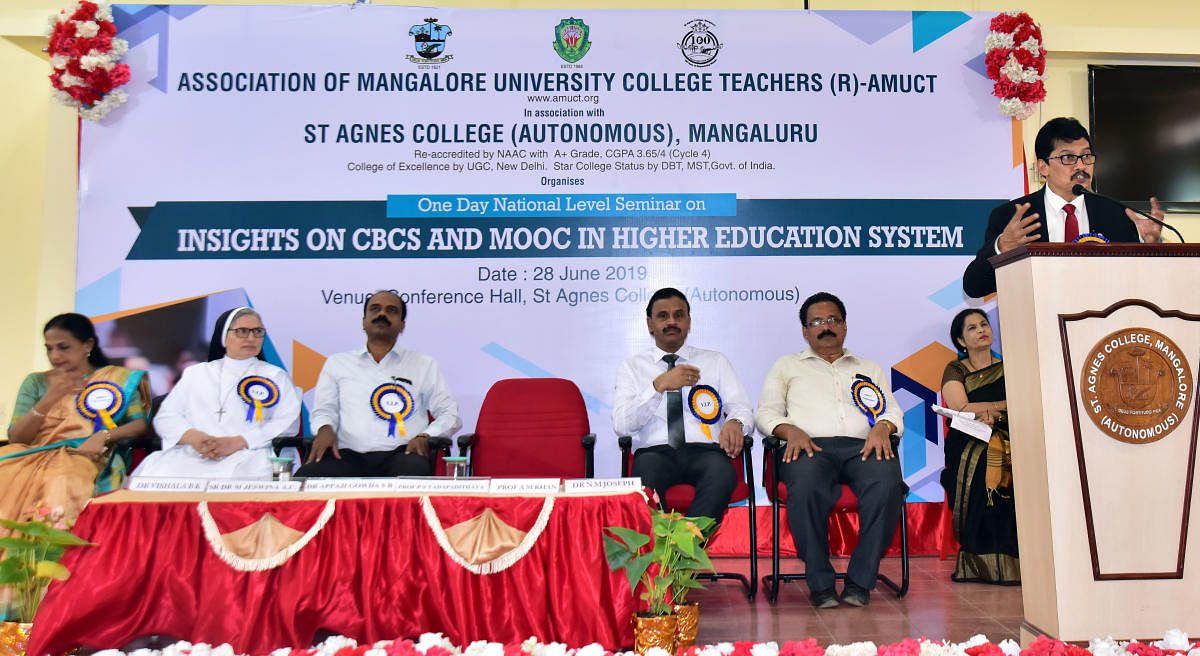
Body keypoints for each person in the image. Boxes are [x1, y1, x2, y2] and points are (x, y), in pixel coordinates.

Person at [755, 292, 906, 608]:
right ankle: (821, 584)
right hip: (808, 446)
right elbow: (765, 413)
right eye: (817, 322)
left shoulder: (869, 367)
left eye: (833, 319)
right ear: (805, 331)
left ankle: (859, 582)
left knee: (888, 483)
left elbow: (892, 411)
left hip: (862, 448)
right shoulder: (786, 366)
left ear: (845, 326)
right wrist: (789, 430)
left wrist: (883, 427)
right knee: (806, 485)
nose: (826, 327)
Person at [963, 117, 1165, 298]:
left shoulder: (1115, 213)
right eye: (1068, 157)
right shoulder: (1011, 216)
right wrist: (1002, 247)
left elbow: (1141, 284)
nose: (1081, 166)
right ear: (1043, 167)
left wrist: (1151, 247)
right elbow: (975, 287)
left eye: (1086, 156)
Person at [611, 287, 754, 523]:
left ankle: (682, 549)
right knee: (645, 480)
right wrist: (658, 386)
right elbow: (622, 425)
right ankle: (673, 549)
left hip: (706, 451)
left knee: (722, 475)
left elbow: (741, 406)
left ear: (688, 322)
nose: (671, 322)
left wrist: (736, 423)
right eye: (663, 316)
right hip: (654, 452)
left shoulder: (715, 361)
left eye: (679, 315)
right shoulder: (631, 366)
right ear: (650, 324)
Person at [1, 313, 150, 526]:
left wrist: (104, 435)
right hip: (32, 454)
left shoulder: (116, 378)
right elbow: (17, 437)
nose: (54, 355)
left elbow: (139, 424)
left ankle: (52, 556)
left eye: (63, 347)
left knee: (61, 479)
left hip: (86, 455)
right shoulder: (36, 381)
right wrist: (50, 397)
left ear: (87, 345)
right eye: (49, 348)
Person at [296, 290, 461, 477]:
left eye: (391, 310)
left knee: (415, 469)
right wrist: (325, 429)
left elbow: (449, 414)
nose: (382, 314)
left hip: (403, 454)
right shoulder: (337, 363)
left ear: (402, 325)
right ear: (364, 321)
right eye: (375, 309)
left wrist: (426, 436)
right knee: (305, 477)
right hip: (346, 456)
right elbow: (324, 410)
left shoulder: (424, 364)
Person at [131, 307, 301, 479]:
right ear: (224, 336)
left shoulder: (276, 376)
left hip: (250, 453)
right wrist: (194, 438)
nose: (251, 338)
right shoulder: (196, 373)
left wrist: (239, 441)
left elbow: (288, 422)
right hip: (196, 453)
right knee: (156, 474)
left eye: (258, 332)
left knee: (242, 476)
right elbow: (166, 417)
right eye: (242, 331)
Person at [939, 309, 1019, 585]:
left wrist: (997, 413)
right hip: (969, 436)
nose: (981, 330)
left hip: (1009, 430)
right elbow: (961, 408)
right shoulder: (956, 369)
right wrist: (1000, 407)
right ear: (961, 341)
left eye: (983, 324)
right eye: (971, 328)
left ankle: (1017, 559)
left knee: (1019, 462)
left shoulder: (1010, 367)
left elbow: (1024, 400)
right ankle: (981, 558)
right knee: (985, 463)